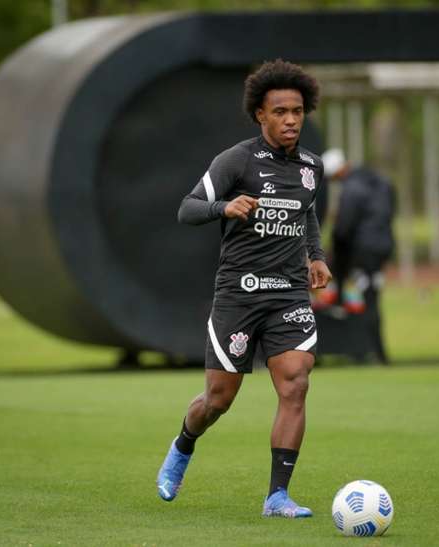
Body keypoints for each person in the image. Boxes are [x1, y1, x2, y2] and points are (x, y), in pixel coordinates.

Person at [156, 59, 332, 518]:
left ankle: (277, 497)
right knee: (218, 400)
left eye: (297, 111)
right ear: (260, 114)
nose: (291, 120)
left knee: (295, 384)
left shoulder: (312, 167)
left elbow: (306, 211)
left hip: (289, 296)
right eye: (280, 112)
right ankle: (183, 444)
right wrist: (224, 207)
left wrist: (316, 256)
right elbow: (187, 209)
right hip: (240, 293)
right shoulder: (236, 159)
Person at [321, 148, 395, 362]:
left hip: (362, 254)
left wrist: (331, 254)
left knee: (360, 300)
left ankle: (364, 352)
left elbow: (343, 228)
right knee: (370, 297)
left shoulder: (352, 189)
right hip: (382, 249)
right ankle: (378, 353)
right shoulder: (377, 182)